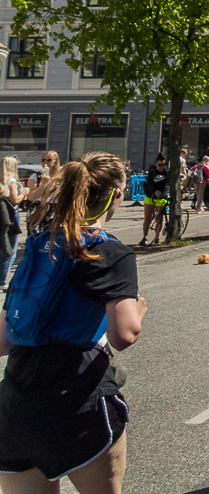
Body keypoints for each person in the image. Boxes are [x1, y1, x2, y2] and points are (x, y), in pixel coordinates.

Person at [0, 151, 147, 493]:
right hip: (79, 398)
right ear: (116, 196)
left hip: (18, 398)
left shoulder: (38, 245)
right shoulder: (110, 252)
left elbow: (4, 341)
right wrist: (137, 312)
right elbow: (123, 333)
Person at [0, 157, 25, 288]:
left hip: (2, 214)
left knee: (3, 245)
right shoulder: (12, 181)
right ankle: (3, 280)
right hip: (11, 215)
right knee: (11, 247)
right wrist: (24, 194)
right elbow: (15, 199)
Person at [139, 153, 170, 246]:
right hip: (150, 196)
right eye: (160, 165)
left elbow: (168, 185)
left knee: (159, 219)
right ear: (156, 164)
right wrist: (154, 191)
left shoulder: (166, 172)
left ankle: (157, 237)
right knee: (148, 217)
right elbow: (149, 184)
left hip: (161, 197)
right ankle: (145, 237)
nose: (161, 167)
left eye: (163, 165)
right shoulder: (152, 171)